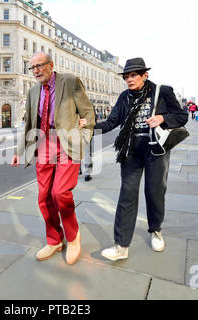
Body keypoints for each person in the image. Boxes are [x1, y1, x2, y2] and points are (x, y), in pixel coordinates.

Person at [93, 57, 188, 261]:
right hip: (131, 153)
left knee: (154, 192)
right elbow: (111, 122)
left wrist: (163, 118)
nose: (129, 79)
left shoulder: (162, 91)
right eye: (126, 76)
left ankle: (155, 230)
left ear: (145, 75)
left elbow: (181, 116)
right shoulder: (124, 97)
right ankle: (121, 246)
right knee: (127, 195)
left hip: (156, 152)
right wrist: (86, 126)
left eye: (133, 75)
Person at [11, 52, 95, 265]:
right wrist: (19, 151)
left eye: (40, 66)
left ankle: (73, 237)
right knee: (44, 196)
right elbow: (29, 123)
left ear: (51, 65)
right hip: (43, 143)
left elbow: (88, 112)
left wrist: (84, 137)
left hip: (67, 143)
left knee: (60, 192)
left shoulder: (70, 81)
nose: (36, 71)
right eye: (32, 67)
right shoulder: (33, 91)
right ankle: (55, 239)